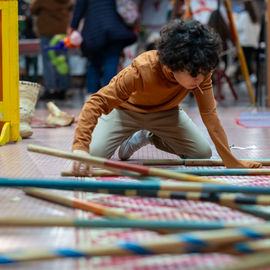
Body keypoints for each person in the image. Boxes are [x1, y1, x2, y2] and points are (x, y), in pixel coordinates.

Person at [72, 19, 262, 176]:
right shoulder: (142, 69)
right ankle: (131, 135)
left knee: (201, 154)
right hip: (125, 112)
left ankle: (147, 135)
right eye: (195, 76)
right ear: (172, 66)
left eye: (205, 73)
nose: (201, 80)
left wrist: (231, 161)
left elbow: (209, 113)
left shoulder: (201, 70)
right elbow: (97, 101)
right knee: (92, 155)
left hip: (166, 113)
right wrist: (80, 147)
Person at [69, 0, 137, 100]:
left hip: (94, 30)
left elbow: (79, 8)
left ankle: (91, 96)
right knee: (112, 62)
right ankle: (109, 97)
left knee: (93, 63)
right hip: (115, 27)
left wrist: (73, 27)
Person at [30, 0, 73, 100]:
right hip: (61, 33)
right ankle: (63, 89)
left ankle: (50, 89)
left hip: (47, 33)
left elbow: (33, 10)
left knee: (48, 62)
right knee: (62, 61)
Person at [235, 0, 260, 78]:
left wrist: (236, 18)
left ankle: (250, 77)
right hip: (253, 43)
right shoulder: (255, 16)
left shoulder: (243, 15)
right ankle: (251, 77)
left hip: (244, 42)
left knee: (245, 62)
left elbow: (237, 27)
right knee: (249, 60)